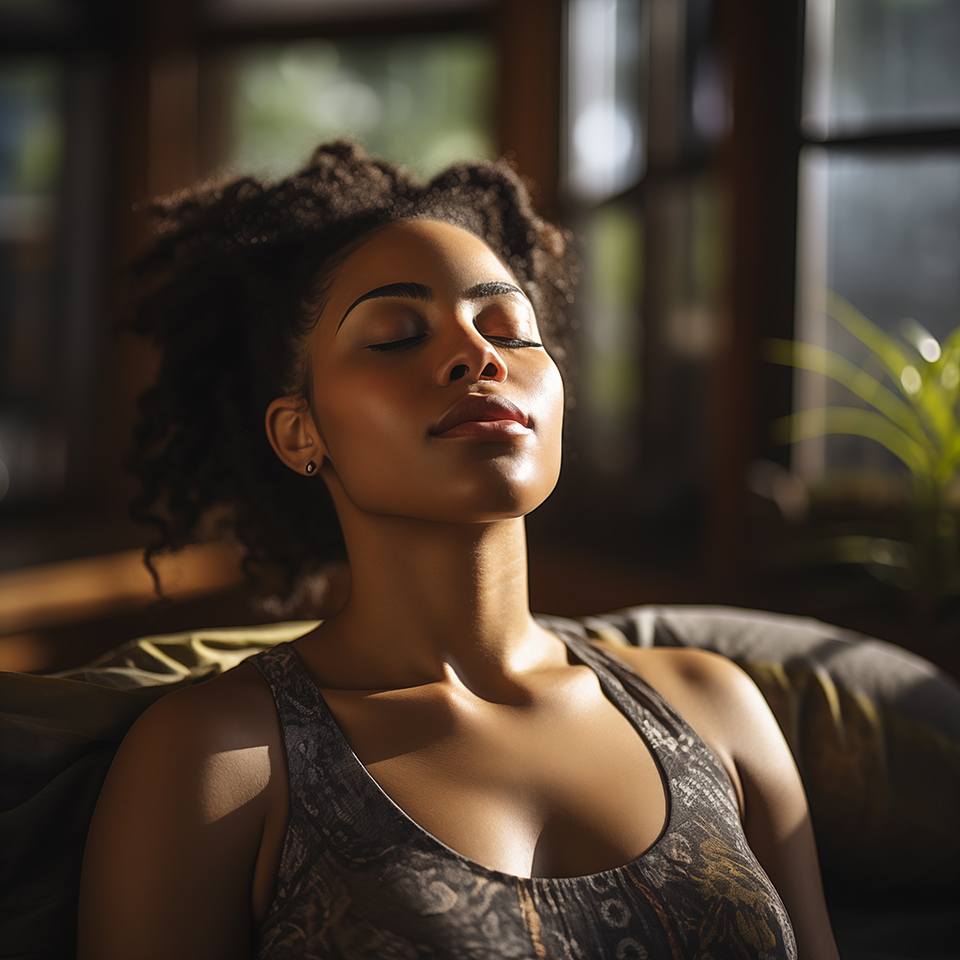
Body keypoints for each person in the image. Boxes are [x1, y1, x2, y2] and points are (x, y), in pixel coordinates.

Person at [77, 141, 840, 960]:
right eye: (397, 334)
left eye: (508, 327)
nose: (478, 356)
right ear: (300, 431)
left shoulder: (714, 707)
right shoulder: (218, 760)